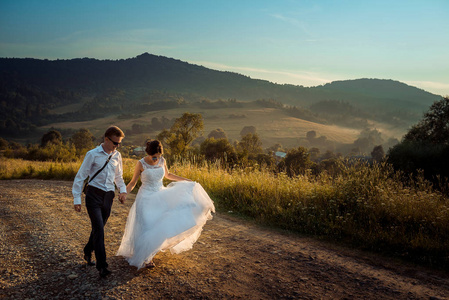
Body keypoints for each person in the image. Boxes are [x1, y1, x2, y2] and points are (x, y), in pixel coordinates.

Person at [116, 139, 215, 270]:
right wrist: (124, 193)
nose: (156, 158)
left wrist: (186, 180)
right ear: (149, 153)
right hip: (145, 197)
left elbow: (168, 175)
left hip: (160, 195)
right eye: (154, 156)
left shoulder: (163, 161)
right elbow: (133, 182)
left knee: (157, 224)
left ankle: (150, 253)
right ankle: (147, 258)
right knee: (146, 224)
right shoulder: (140, 163)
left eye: (158, 155)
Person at [72, 126, 127, 278]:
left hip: (109, 196)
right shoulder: (92, 154)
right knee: (99, 229)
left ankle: (88, 250)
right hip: (93, 195)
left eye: (119, 144)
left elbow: (119, 177)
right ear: (106, 139)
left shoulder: (117, 156)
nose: (117, 146)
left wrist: (122, 191)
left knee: (99, 228)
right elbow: (80, 176)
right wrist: (77, 199)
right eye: (115, 143)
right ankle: (102, 266)